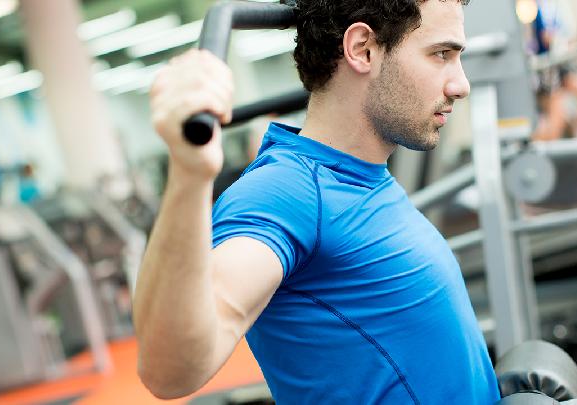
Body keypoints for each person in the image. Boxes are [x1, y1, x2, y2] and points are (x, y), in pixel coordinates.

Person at [135, 0, 499, 403]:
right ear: (362, 49)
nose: (460, 84)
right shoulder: (287, 193)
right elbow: (168, 371)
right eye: (441, 54)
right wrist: (189, 174)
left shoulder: (364, 174)